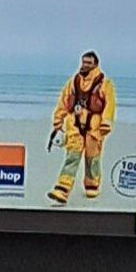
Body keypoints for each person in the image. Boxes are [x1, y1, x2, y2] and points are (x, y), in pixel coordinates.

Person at [49, 49, 116, 207]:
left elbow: (110, 104)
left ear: (95, 64)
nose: (85, 65)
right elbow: (64, 101)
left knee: (92, 158)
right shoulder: (73, 82)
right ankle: (62, 189)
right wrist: (58, 121)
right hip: (75, 124)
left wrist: (106, 122)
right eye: (84, 62)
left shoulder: (105, 83)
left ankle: (92, 184)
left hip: (94, 126)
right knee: (72, 156)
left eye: (89, 63)